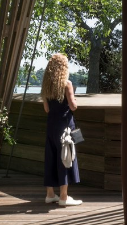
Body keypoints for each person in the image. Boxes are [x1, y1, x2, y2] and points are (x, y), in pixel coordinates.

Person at [41, 53, 82, 206]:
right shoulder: (67, 84)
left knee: (51, 158)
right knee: (66, 157)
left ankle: (50, 194)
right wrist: (75, 100)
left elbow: (46, 109)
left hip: (51, 126)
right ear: (63, 68)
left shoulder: (46, 86)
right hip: (65, 126)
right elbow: (73, 106)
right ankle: (64, 197)